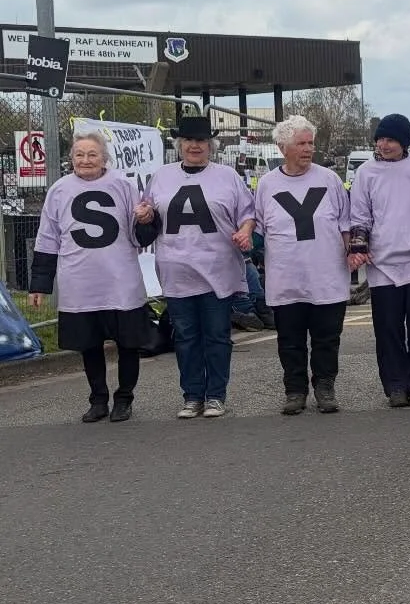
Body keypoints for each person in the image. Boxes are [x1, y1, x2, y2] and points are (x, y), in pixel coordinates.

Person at [27, 131, 160, 423]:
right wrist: (40, 283)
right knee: (89, 344)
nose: (85, 160)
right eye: (79, 155)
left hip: (119, 279)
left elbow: (141, 235)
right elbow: (48, 238)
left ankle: (124, 397)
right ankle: (98, 398)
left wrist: (146, 219)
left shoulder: (123, 185)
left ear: (104, 158)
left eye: (92, 155)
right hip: (80, 281)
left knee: (128, 343)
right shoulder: (59, 190)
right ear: (70, 158)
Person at [144, 116, 256, 419]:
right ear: (180, 145)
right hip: (176, 269)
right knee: (185, 336)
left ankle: (216, 395)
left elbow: (248, 213)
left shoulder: (228, 176)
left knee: (217, 335)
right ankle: (192, 395)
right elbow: (147, 221)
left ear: (211, 145)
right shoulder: (161, 177)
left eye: (202, 141)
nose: (195, 146)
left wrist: (245, 231)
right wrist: (143, 218)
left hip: (217, 268)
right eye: (189, 141)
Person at [255, 115, 352, 415]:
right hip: (286, 279)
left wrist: (353, 252)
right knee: (290, 340)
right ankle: (295, 390)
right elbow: (258, 227)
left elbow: (346, 223)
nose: (309, 148)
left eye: (311, 143)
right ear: (283, 147)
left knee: (327, 339)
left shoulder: (329, 180)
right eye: (301, 143)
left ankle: (325, 386)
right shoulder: (267, 185)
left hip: (327, 276)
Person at [347, 113, 410, 408]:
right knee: (388, 328)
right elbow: (359, 214)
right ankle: (396, 384)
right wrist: (359, 247)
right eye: (380, 139)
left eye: (391, 139)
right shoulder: (366, 173)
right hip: (382, 264)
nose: (384, 145)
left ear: (404, 142)